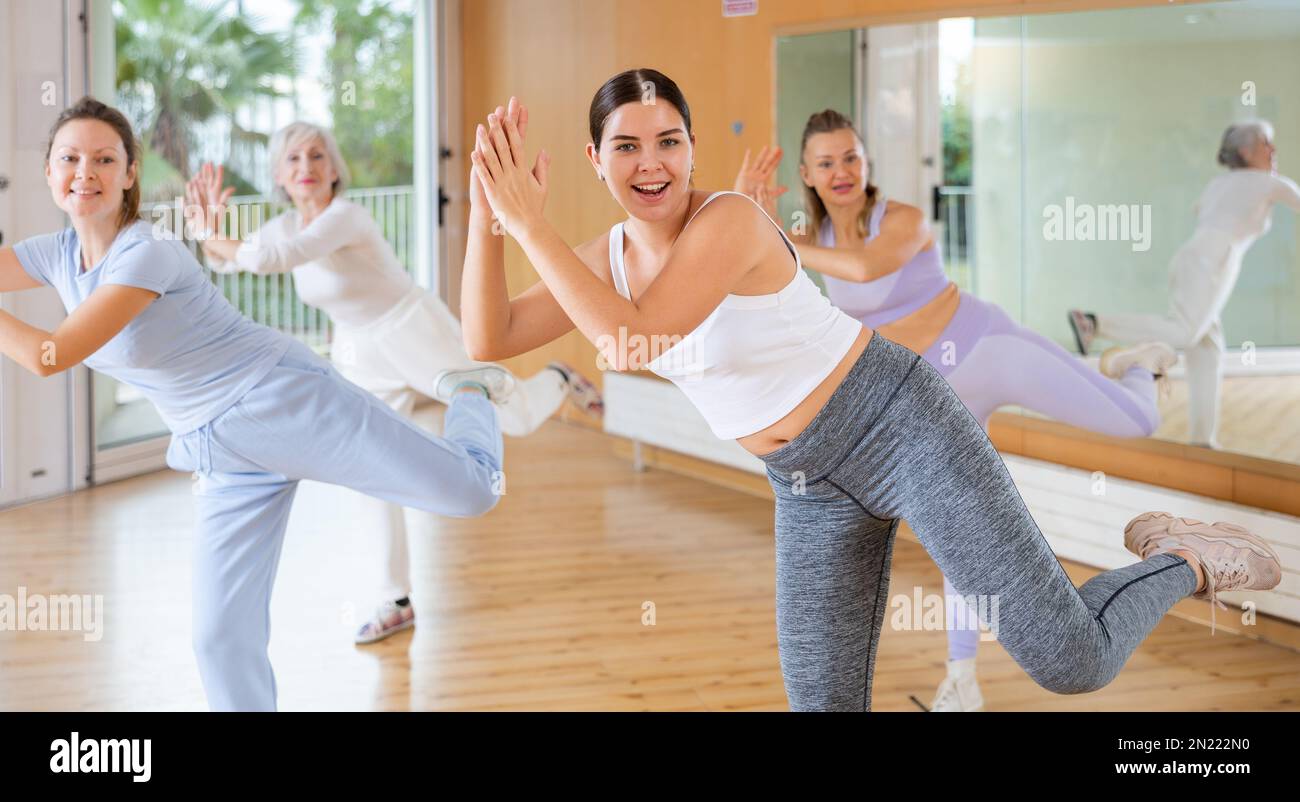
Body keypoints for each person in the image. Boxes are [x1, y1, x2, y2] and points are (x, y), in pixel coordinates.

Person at [456, 71, 1281, 711]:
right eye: (627, 146)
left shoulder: (730, 221)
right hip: (808, 486)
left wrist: (534, 227)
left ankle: (1186, 557)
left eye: (668, 140)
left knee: (1073, 661)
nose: (650, 162)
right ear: (595, 159)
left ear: (692, 150)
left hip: (900, 423)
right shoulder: (606, 258)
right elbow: (487, 339)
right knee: (820, 701)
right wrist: (489, 222)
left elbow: (631, 336)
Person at [0, 96, 509, 711]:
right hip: (219, 452)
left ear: (129, 172)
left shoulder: (146, 252)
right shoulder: (56, 254)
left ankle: (472, 388)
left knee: (474, 491)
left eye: (104, 158)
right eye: (70, 158)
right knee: (219, 638)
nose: (86, 171)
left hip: (280, 399)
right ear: (49, 173)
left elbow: (50, 356)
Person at [731, 109, 1177, 711]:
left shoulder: (904, 220)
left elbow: (866, 267)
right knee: (961, 547)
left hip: (989, 351)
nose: (842, 171)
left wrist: (774, 237)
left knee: (1139, 421)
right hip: (928, 402)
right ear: (807, 173)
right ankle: (961, 682)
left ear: (867, 163)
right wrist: (752, 225)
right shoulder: (815, 244)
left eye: (852, 158)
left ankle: (1133, 365)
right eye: (827, 162)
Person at [186, 120, 603, 644]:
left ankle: (559, 379)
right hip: (359, 351)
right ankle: (395, 598)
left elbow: (269, 260)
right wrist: (208, 237)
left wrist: (212, 237)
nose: (306, 168)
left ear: (334, 169)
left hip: (413, 329)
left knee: (513, 420)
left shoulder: (345, 217)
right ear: (279, 176)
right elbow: (232, 261)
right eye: (292, 160)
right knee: (367, 466)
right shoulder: (285, 226)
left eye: (317, 156)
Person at [1069, 120, 1300, 448]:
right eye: (1267, 143)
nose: (1274, 150)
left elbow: (1203, 212)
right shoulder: (1268, 183)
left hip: (1191, 256)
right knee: (1184, 332)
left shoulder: (1221, 183)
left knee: (1208, 346)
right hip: (1213, 261)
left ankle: (1203, 441)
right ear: (1247, 151)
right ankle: (1094, 323)